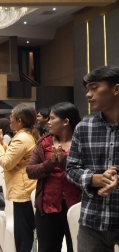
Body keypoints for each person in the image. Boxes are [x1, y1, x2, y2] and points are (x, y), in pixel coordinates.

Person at [66, 66, 119, 252]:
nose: (88, 94)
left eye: (94, 87)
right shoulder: (84, 127)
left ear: (116, 89)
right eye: (87, 89)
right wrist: (93, 179)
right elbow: (71, 168)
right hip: (93, 220)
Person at [26, 102, 81, 252]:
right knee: (47, 248)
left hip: (76, 205)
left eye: (52, 118)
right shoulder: (44, 143)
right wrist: (49, 164)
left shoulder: (81, 142)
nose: (47, 122)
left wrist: (64, 163)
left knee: (76, 247)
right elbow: (30, 171)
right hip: (47, 206)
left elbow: (87, 171)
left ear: (66, 121)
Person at [0, 103, 39, 252]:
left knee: (23, 233)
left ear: (20, 121)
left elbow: (7, 163)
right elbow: (14, 156)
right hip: (25, 186)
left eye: (12, 117)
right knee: (24, 230)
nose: (10, 120)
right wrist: (1, 142)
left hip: (23, 189)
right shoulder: (25, 135)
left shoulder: (21, 138)